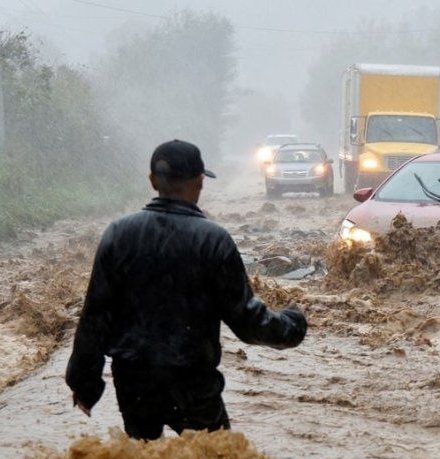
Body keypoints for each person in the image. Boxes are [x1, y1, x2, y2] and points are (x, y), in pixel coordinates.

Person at [66, 139, 307, 440]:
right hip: (193, 383)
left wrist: (85, 384)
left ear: (153, 180)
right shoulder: (213, 239)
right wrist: (292, 324)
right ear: (200, 182)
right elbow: (247, 321)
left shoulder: (119, 234)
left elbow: (95, 316)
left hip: (134, 382)